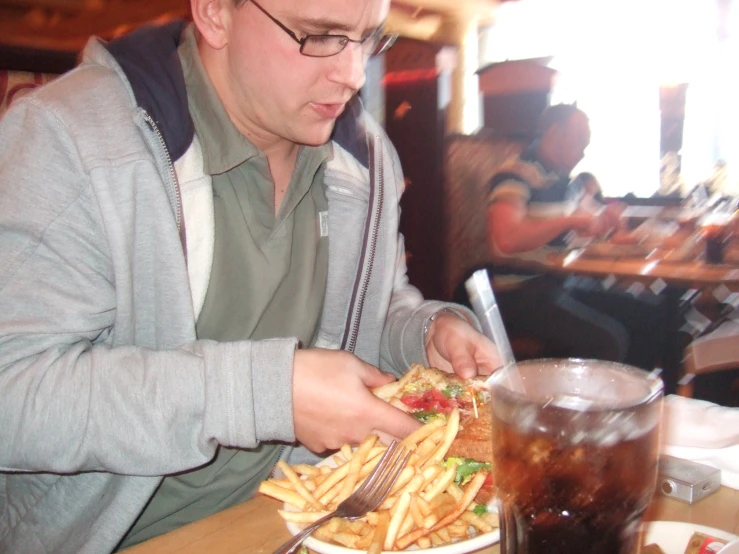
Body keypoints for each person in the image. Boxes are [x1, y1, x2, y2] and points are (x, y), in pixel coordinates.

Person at [0, 0, 499, 552]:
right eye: (319, 35)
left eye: (367, 38)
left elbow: (370, 310)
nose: (353, 74)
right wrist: (268, 393)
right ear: (216, 13)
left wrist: (423, 334)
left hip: (309, 524)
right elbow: (12, 393)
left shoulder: (366, 156)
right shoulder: (71, 138)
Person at [478, 103, 666, 369]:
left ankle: (639, 401)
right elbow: (506, 240)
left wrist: (608, 222)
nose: (583, 150)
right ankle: (592, 406)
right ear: (554, 132)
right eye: (580, 140)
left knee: (649, 314)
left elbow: (585, 223)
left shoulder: (563, 181)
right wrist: (569, 220)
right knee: (607, 341)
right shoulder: (516, 174)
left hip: (561, 283)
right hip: (521, 293)